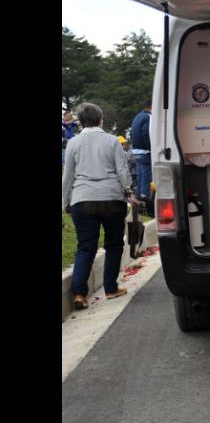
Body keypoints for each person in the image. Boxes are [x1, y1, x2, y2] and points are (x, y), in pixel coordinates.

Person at [62, 103, 138, 310]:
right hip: (112, 199)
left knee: (85, 247)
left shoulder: (73, 143)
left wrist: (65, 202)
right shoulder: (112, 141)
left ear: (79, 122)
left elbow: (67, 176)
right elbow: (122, 171)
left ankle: (79, 294)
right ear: (101, 120)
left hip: (82, 199)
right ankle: (111, 288)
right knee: (114, 244)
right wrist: (129, 192)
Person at [130, 99, 152, 202]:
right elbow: (147, 134)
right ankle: (145, 199)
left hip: (135, 151)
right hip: (145, 152)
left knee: (140, 176)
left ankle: (139, 197)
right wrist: (150, 148)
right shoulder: (148, 117)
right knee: (147, 177)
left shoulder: (138, 116)